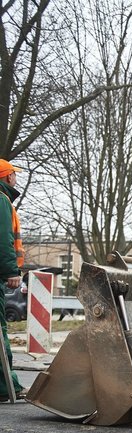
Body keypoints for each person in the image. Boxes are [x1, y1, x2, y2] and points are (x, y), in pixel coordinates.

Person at [0, 159, 25, 401]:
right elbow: (2, 239)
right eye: (14, 175)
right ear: (8, 178)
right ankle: (6, 388)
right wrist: (10, 272)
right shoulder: (1, 200)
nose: (16, 179)